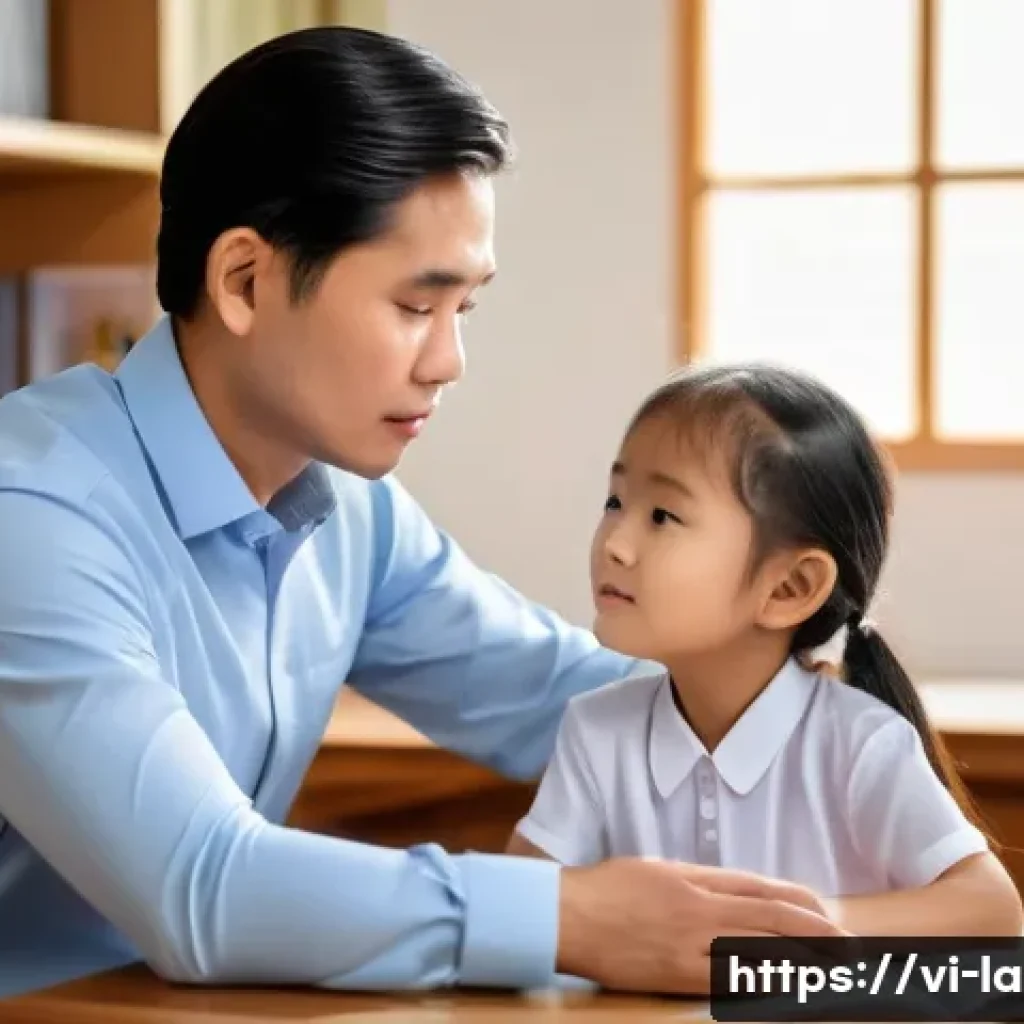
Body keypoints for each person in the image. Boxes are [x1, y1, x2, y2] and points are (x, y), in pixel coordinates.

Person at [0, 27, 844, 1001]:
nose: (448, 363)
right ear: (244, 281)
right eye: (414, 307)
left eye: (463, 310)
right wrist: (573, 918)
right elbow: (205, 887)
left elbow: (554, 696)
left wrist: (799, 720)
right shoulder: (35, 516)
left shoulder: (348, 510)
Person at [508, 363, 1023, 936]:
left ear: (789, 588)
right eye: (614, 502)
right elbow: (518, 910)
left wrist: (781, 929)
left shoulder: (858, 745)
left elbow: (993, 912)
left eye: (662, 516)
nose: (616, 544)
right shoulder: (597, 730)